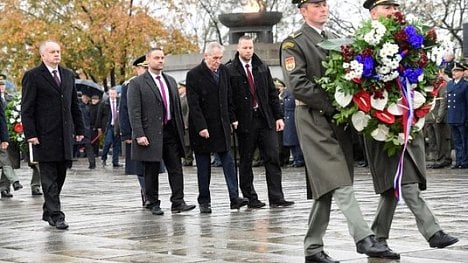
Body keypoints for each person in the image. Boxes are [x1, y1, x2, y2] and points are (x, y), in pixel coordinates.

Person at [281, 1, 398, 262]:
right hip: (313, 119)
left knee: (327, 187)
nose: (323, 8)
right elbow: (297, 84)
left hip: (337, 120)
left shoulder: (334, 39)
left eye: (325, 4)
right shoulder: (294, 43)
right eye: (316, 4)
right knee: (340, 181)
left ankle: (312, 248)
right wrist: (334, 104)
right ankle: (364, 237)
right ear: (303, 10)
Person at [362, 0, 459, 253]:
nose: (394, 11)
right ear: (373, 13)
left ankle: (377, 238)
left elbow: (424, 76)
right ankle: (433, 232)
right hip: (382, 126)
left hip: (409, 122)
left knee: (396, 186)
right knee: (404, 184)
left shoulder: (411, 43)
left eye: (395, 6)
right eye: (387, 7)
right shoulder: (363, 44)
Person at [21, 40, 84, 230]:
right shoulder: (33, 76)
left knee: (60, 176)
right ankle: (57, 215)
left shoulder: (67, 75)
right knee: (48, 177)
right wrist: (30, 133)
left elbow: (74, 105)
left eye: (58, 51)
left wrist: (80, 130)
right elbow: (27, 108)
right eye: (52, 52)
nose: (57, 54)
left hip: (64, 135)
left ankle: (48, 210)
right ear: (43, 55)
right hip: (44, 136)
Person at [227, 35, 294, 209]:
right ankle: (250, 197)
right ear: (238, 49)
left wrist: (278, 117)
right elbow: (228, 98)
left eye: (250, 47)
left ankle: (276, 197)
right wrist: (232, 118)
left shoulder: (262, 67)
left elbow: (272, 94)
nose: (248, 51)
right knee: (246, 160)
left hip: (264, 119)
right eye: (245, 48)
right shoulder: (230, 70)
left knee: (272, 157)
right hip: (244, 121)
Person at [127, 47, 196, 215]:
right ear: (148, 61)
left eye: (162, 58)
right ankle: (152, 202)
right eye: (157, 58)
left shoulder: (171, 81)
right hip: (150, 133)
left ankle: (178, 201)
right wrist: (139, 134)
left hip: (171, 131)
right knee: (151, 169)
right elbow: (134, 111)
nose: (160, 61)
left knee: (176, 167)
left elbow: (176, 108)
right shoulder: (137, 83)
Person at [186, 42, 248, 213]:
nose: (218, 61)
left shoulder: (224, 72)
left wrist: (233, 118)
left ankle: (234, 197)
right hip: (203, 127)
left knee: (229, 162)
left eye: (220, 58)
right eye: (215, 58)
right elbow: (194, 104)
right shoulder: (194, 75)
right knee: (204, 166)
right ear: (206, 56)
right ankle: (204, 201)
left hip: (221, 125)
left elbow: (229, 97)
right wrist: (201, 127)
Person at [119, 55, 147, 206]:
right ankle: (146, 193)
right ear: (137, 69)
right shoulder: (129, 85)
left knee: (152, 166)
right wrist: (127, 133)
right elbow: (124, 110)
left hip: (152, 130)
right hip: (135, 131)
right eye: (143, 68)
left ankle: (149, 193)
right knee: (139, 166)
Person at [424, 70, 452, 169]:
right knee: (433, 140)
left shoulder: (443, 86)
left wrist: (439, 117)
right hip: (430, 117)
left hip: (439, 118)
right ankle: (436, 158)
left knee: (442, 139)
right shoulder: (432, 88)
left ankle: (444, 159)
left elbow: (443, 103)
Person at [277, 78, 305, 168]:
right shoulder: (286, 94)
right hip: (288, 117)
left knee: (294, 140)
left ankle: (298, 159)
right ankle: (296, 159)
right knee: (291, 141)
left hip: (291, 117)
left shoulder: (289, 93)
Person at [446, 62, 468, 169]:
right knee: (456, 141)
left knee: (464, 140)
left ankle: (464, 161)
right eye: (454, 71)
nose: (454, 73)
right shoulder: (450, 84)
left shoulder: (465, 85)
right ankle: (458, 160)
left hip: (462, 116)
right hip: (452, 116)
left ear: (462, 73)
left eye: (457, 71)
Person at [96, 87, 121, 167]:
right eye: (111, 94)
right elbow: (99, 116)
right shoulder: (104, 103)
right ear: (109, 94)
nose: (113, 95)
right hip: (108, 126)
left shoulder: (119, 102)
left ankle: (115, 162)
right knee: (108, 142)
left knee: (116, 144)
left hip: (117, 126)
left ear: (116, 94)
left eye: (114, 93)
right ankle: (104, 157)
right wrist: (99, 127)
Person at [177, 80, 194, 166]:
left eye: (180, 88)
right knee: (184, 142)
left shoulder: (187, 98)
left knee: (187, 143)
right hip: (182, 124)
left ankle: (188, 159)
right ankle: (186, 158)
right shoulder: (180, 98)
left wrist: (186, 123)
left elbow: (187, 112)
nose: (178, 89)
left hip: (186, 124)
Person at [78, 93, 96, 169]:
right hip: (86, 129)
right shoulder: (88, 107)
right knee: (88, 147)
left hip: (83, 129)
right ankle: (92, 163)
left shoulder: (81, 107)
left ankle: (92, 163)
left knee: (88, 147)